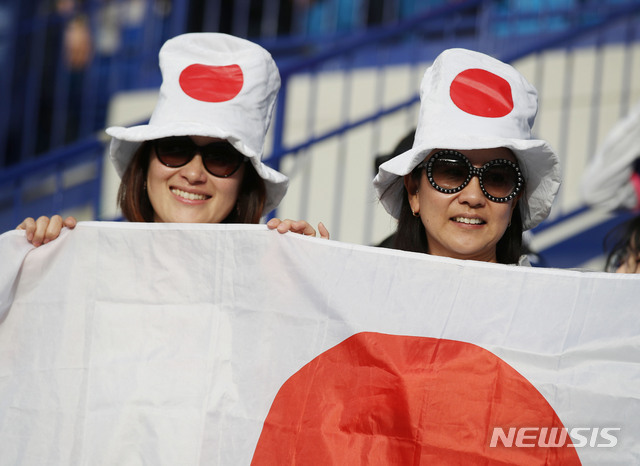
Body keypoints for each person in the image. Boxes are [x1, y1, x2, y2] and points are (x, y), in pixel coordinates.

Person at [17, 32, 328, 246]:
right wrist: (34, 261)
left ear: (244, 183)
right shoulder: (81, 262)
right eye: (175, 149)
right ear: (146, 162)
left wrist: (312, 282)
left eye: (221, 157)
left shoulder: (272, 277)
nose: (193, 174)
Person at [373, 48, 561, 265]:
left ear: (514, 201)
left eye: (497, 178)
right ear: (414, 191)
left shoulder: (549, 290)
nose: (473, 197)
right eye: (452, 172)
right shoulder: (363, 283)